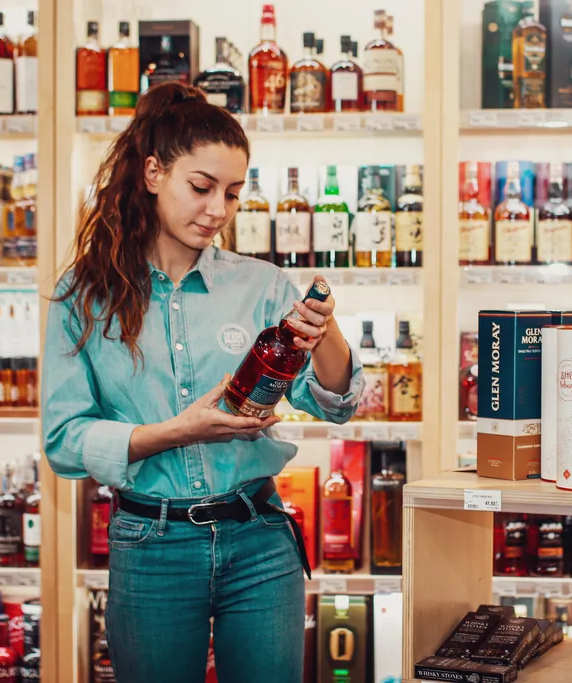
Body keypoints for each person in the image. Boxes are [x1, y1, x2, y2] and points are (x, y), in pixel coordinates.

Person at [41, 82, 362, 683]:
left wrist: (328, 332)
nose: (218, 210)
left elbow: (335, 404)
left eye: (234, 194)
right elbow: (63, 440)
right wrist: (171, 433)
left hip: (259, 539)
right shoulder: (83, 299)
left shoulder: (260, 285)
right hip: (148, 542)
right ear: (154, 172)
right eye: (202, 187)